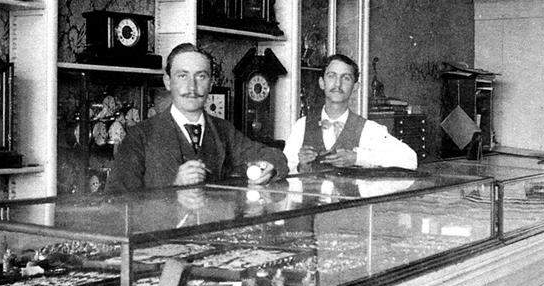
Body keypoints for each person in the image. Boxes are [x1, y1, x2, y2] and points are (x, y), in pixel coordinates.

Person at [107, 43, 287, 191]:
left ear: (210, 84)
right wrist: (173, 184)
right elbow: (117, 201)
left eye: (200, 76)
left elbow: (274, 156)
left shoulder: (223, 130)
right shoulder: (138, 136)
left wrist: (269, 168)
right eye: (182, 76)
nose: (192, 87)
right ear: (168, 82)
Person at [284, 54, 417, 172]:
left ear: (355, 87)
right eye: (331, 76)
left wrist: (358, 158)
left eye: (346, 78)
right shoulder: (301, 126)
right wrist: (302, 167)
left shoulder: (368, 129)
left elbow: (410, 159)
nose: (338, 84)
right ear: (322, 83)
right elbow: (283, 169)